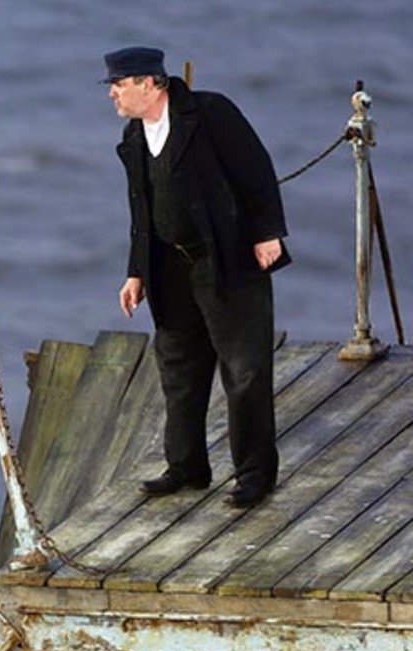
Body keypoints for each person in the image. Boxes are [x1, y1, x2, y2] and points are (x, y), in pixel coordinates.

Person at [104, 46, 290, 509]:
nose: (112, 93)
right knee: (179, 368)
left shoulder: (209, 113)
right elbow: (142, 213)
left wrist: (268, 233)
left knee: (244, 370)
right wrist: (136, 272)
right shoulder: (133, 135)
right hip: (169, 266)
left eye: (120, 84)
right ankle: (186, 467)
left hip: (225, 259)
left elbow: (256, 171)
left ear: (149, 83)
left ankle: (254, 475)